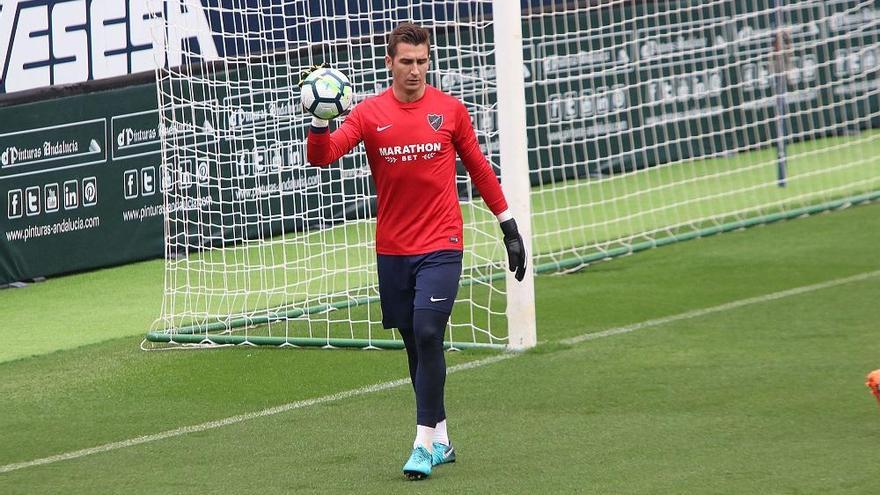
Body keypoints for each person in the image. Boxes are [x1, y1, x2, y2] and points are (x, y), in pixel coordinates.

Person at [304, 22, 526, 480]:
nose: (415, 70)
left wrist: (508, 226)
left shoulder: (450, 111)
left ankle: (422, 444)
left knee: (428, 332)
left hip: (443, 243)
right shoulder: (368, 114)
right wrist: (319, 122)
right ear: (390, 63)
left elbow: (480, 169)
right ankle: (441, 435)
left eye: (422, 62)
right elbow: (322, 158)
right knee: (414, 344)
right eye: (406, 61)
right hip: (393, 249)